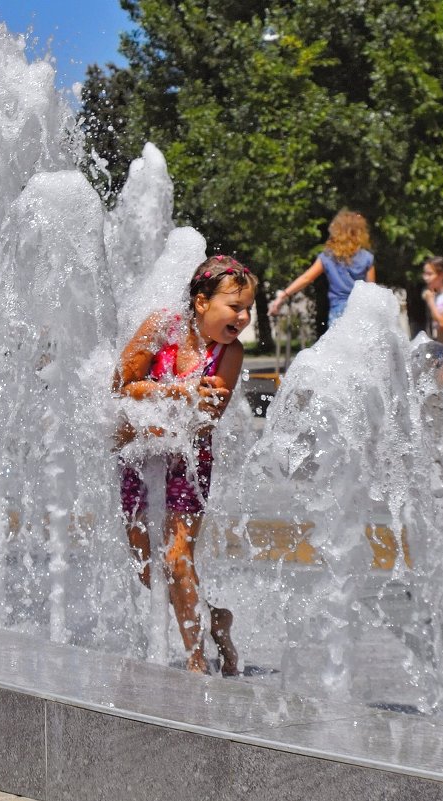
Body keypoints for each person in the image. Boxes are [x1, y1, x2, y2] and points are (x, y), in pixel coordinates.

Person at [114, 255, 256, 675]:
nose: (244, 317)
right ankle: (214, 619)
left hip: (190, 461)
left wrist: (195, 400)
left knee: (178, 558)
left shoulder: (230, 352)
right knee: (148, 571)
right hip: (138, 455)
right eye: (235, 307)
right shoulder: (162, 327)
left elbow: (212, 414)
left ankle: (196, 663)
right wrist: (181, 391)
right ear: (200, 302)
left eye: (248, 308)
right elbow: (120, 384)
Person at [267, 210, 376, 326]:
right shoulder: (367, 258)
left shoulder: (328, 257)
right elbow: (372, 291)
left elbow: (306, 278)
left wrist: (283, 296)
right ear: (359, 232)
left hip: (339, 312)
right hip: (361, 311)